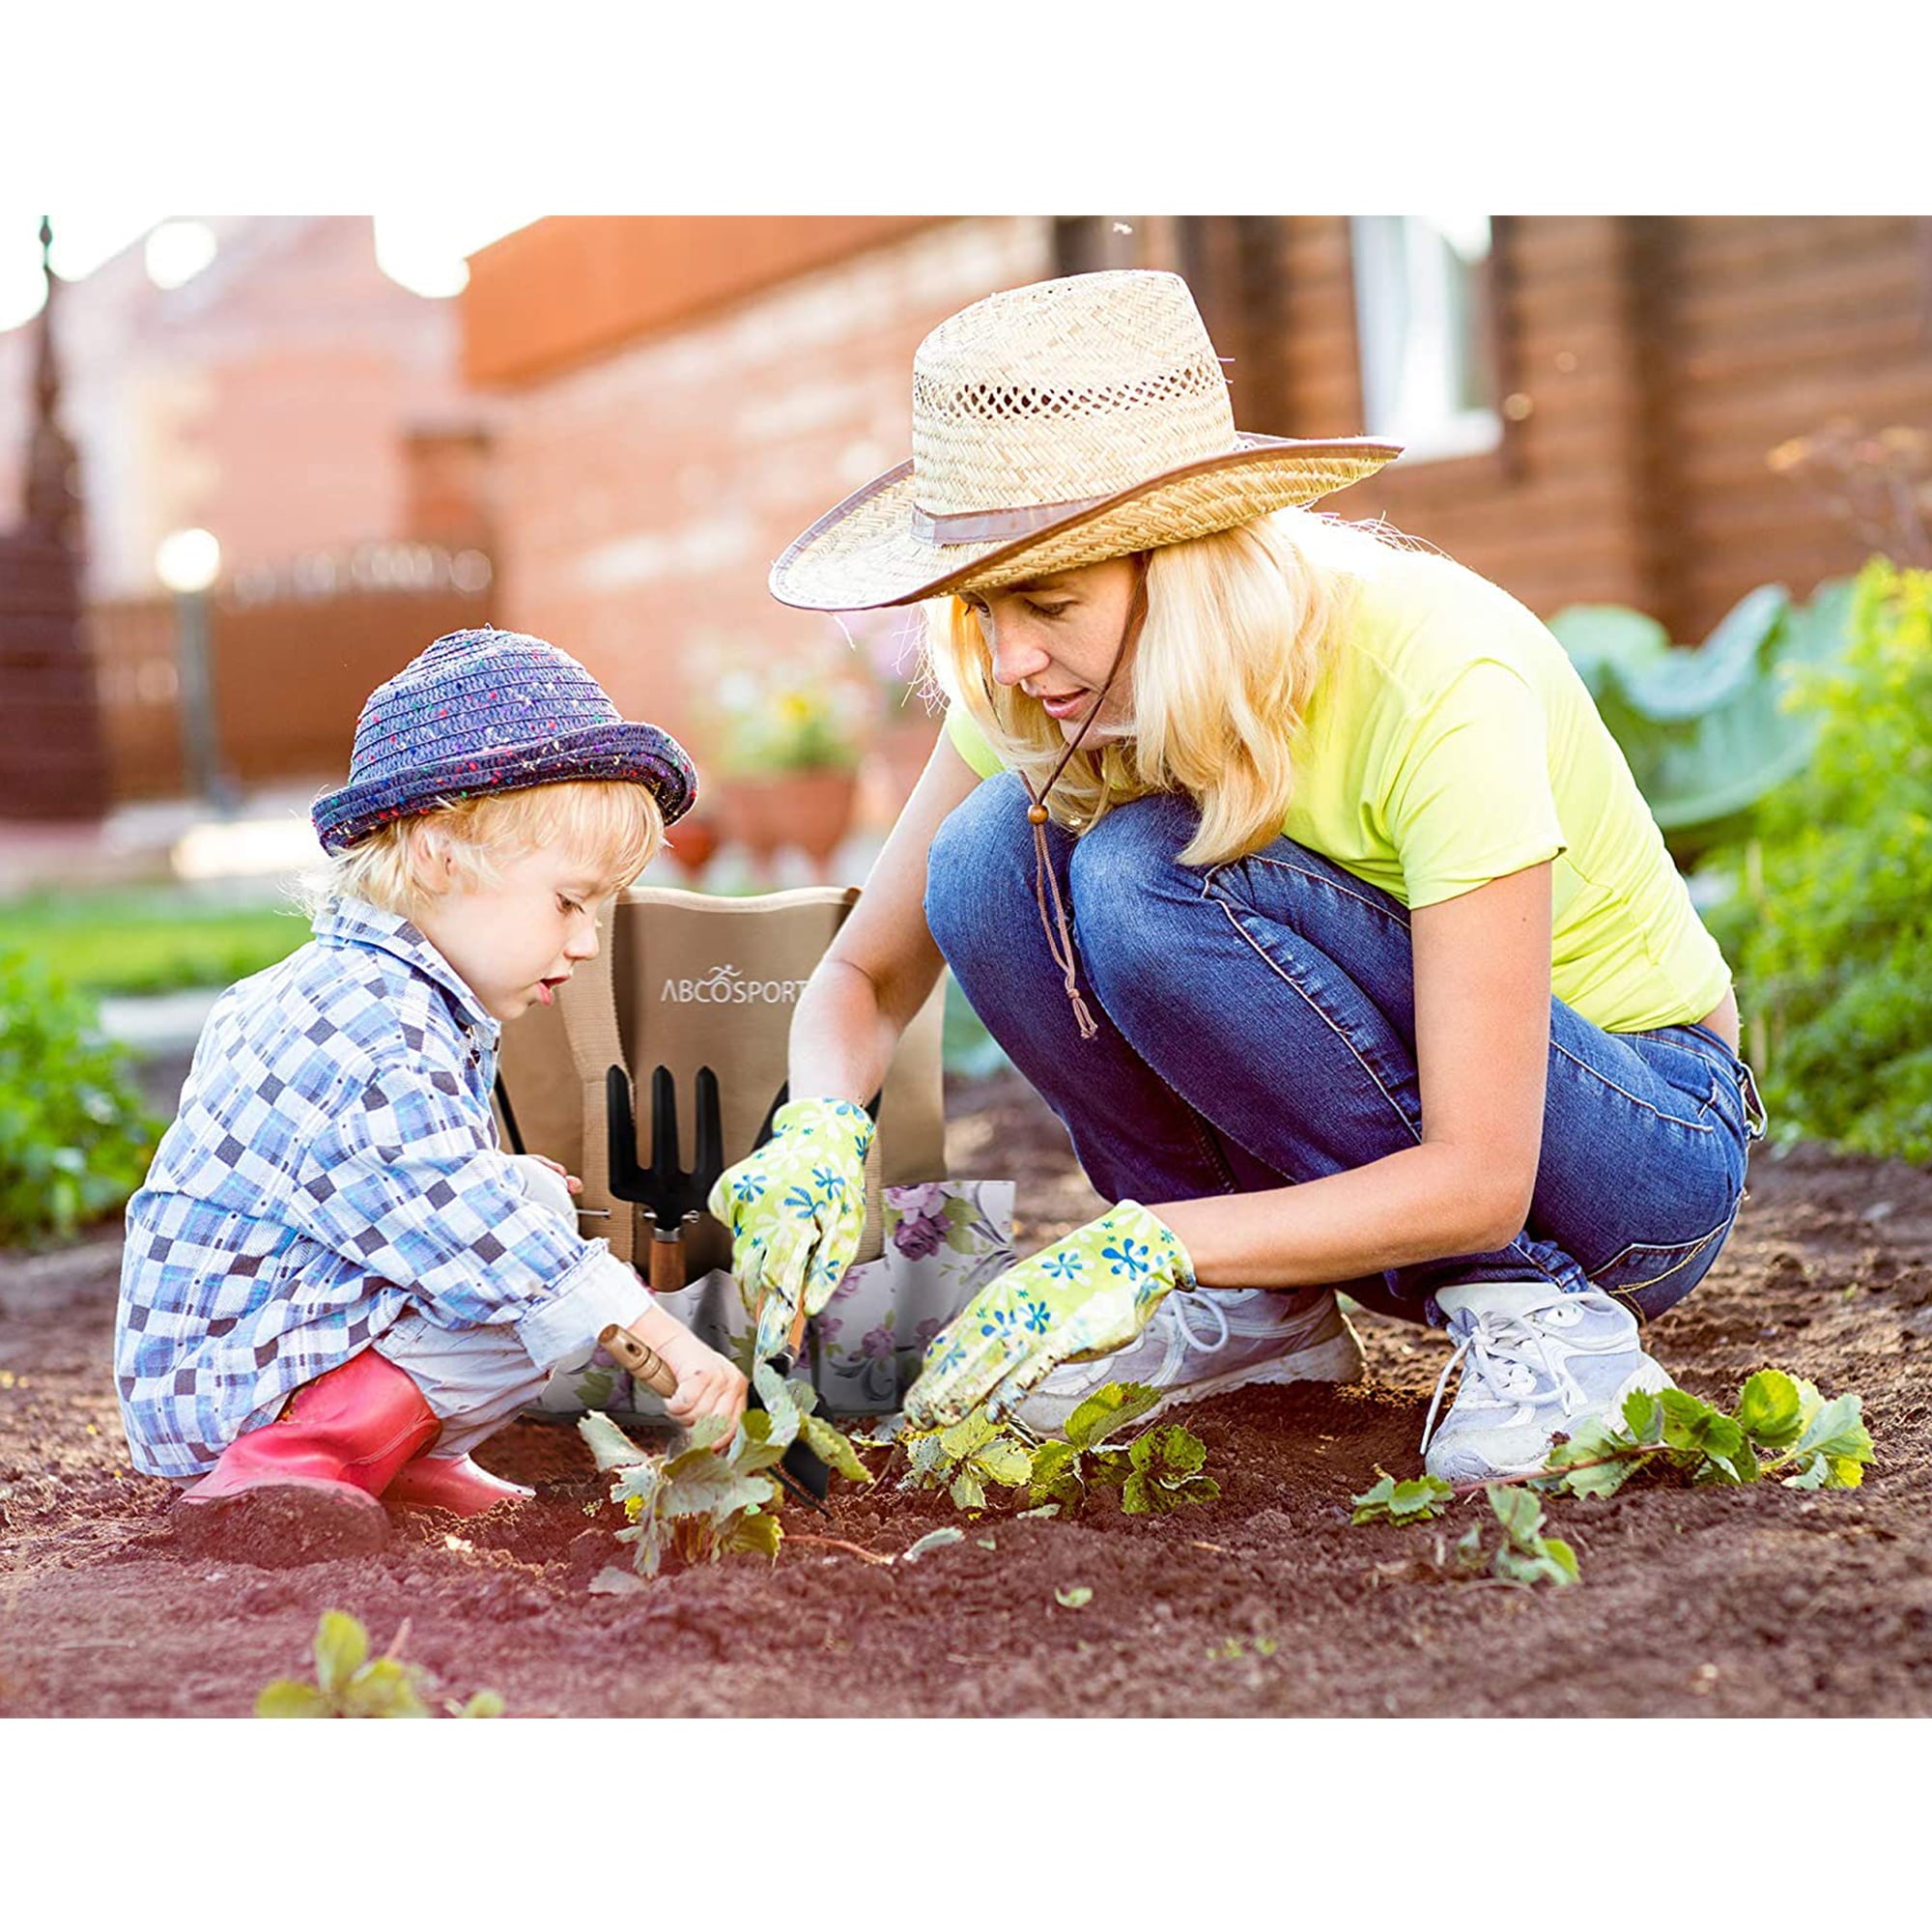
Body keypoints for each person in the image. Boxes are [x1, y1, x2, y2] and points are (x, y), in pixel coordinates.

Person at [710, 269, 1765, 1485]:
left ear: (1186, 566)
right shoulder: (1037, 680)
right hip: (1378, 1176)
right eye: (983, 603)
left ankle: (1545, 1324)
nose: (1008, 653)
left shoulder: (1430, 668)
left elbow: (1483, 1175)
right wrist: (821, 1126)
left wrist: (1143, 1243)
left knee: (1139, 874)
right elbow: (863, 970)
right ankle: (1263, 1313)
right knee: (989, 854)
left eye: (1050, 600)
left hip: (1628, 1154)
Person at [115, 627, 748, 1533]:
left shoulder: (369, 987)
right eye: (568, 901)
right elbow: (488, 1248)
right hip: (234, 1388)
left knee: (528, 1199)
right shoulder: (371, 1031)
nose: (585, 940)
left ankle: (403, 1457)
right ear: (438, 855)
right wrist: (662, 1342)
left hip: (243, 1351)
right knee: (532, 1273)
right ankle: (297, 1457)